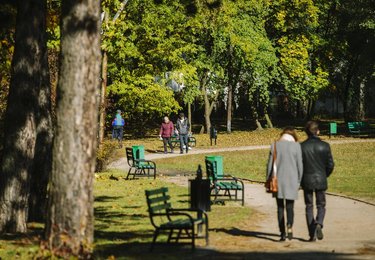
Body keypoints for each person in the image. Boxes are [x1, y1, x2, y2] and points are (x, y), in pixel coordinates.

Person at [266, 127, 303, 241]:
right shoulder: (297, 146)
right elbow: (300, 166)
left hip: (278, 181)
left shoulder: (275, 145)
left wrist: (268, 179)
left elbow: (270, 165)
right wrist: (299, 181)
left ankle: (282, 233)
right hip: (292, 181)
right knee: (290, 207)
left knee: (280, 208)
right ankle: (290, 225)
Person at [301, 121, 334, 242]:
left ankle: (311, 233)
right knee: (321, 205)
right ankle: (319, 223)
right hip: (321, 178)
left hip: (307, 179)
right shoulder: (325, 146)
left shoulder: (302, 146)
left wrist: (301, 178)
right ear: (318, 131)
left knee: (309, 206)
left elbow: (298, 166)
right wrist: (325, 175)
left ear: (306, 132)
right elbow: (330, 165)